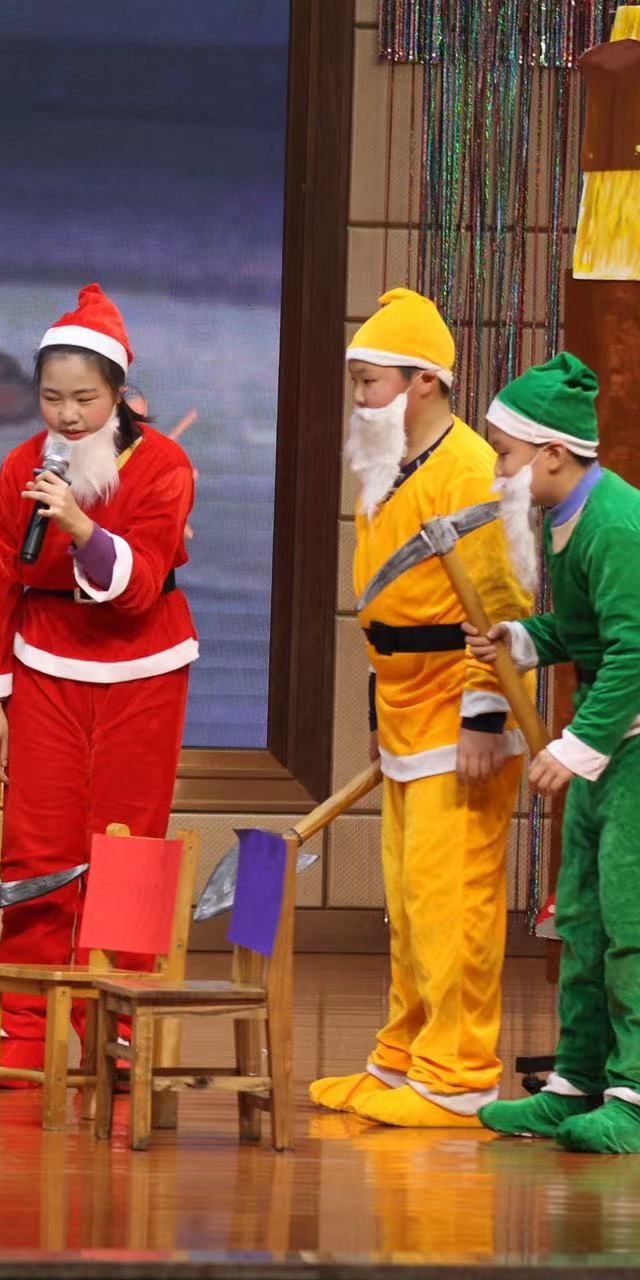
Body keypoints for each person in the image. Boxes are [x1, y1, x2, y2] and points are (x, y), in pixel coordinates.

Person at [0, 284, 197, 1080]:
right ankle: (25, 1035)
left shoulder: (165, 466)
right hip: (44, 664)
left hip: (143, 666)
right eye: (52, 398)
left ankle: (117, 1032)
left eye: (85, 400)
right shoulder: (18, 467)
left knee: (130, 848)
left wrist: (81, 527)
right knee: (36, 844)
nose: (66, 416)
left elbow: (141, 585)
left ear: (119, 393)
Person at [310, 287, 530, 1128]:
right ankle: (404, 1060)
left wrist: (485, 716)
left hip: (456, 707)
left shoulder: (470, 468)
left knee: (453, 898)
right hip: (403, 706)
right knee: (408, 902)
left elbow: (501, 600)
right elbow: (386, 599)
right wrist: (377, 707)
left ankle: (458, 1075)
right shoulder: (386, 463)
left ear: (424, 382)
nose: (361, 398)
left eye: (371, 382)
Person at [467, 354, 640, 1154]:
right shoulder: (563, 520)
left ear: (553, 453)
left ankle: (633, 1095)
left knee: (631, 923)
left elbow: (635, 652)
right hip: (609, 746)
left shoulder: (617, 526)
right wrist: (520, 639)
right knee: (583, 919)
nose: (498, 470)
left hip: (629, 748)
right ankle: (577, 1082)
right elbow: (581, 632)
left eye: (505, 454)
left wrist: (576, 746)